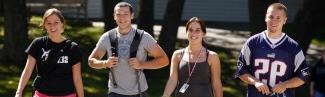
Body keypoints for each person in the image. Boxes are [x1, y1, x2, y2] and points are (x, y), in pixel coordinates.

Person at [88, 2, 169, 97]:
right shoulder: (107, 37)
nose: (122, 18)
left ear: (132, 15)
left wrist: (141, 64)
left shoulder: (143, 37)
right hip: (115, 93)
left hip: (138, 92)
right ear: (114, 16)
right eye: (118, 14)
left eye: (125, 14)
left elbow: (164, 60)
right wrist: (105, 63)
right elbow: (91, 61)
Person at [234, 3, 309, 97]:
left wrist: (285, 85)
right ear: (266, 18)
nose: (274, 21)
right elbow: (241, 70)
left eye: (278, 18)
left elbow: (303, 75)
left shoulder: (293, 47)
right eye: (271, 17)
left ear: (284, 20)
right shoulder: (252, 43)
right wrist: (256, 82)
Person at [15, 8, 84, 97]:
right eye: (49, 23)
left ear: (62, 24)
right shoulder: (38, 44)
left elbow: (77, 78)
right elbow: (27, 70)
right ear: (44, 25)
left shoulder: (73, 48)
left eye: (56, 22)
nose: (52, 26)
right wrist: (18, 92)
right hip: (41, 94)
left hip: (67, 94)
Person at [162, 17, 223, 97]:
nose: (193, 33)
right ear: (186, 32)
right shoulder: (177, 55)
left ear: (203, 33)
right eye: (190, 30)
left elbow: (216, 83)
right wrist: (165, 96)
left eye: (197, 30)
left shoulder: (212, 56)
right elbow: (172, 79)